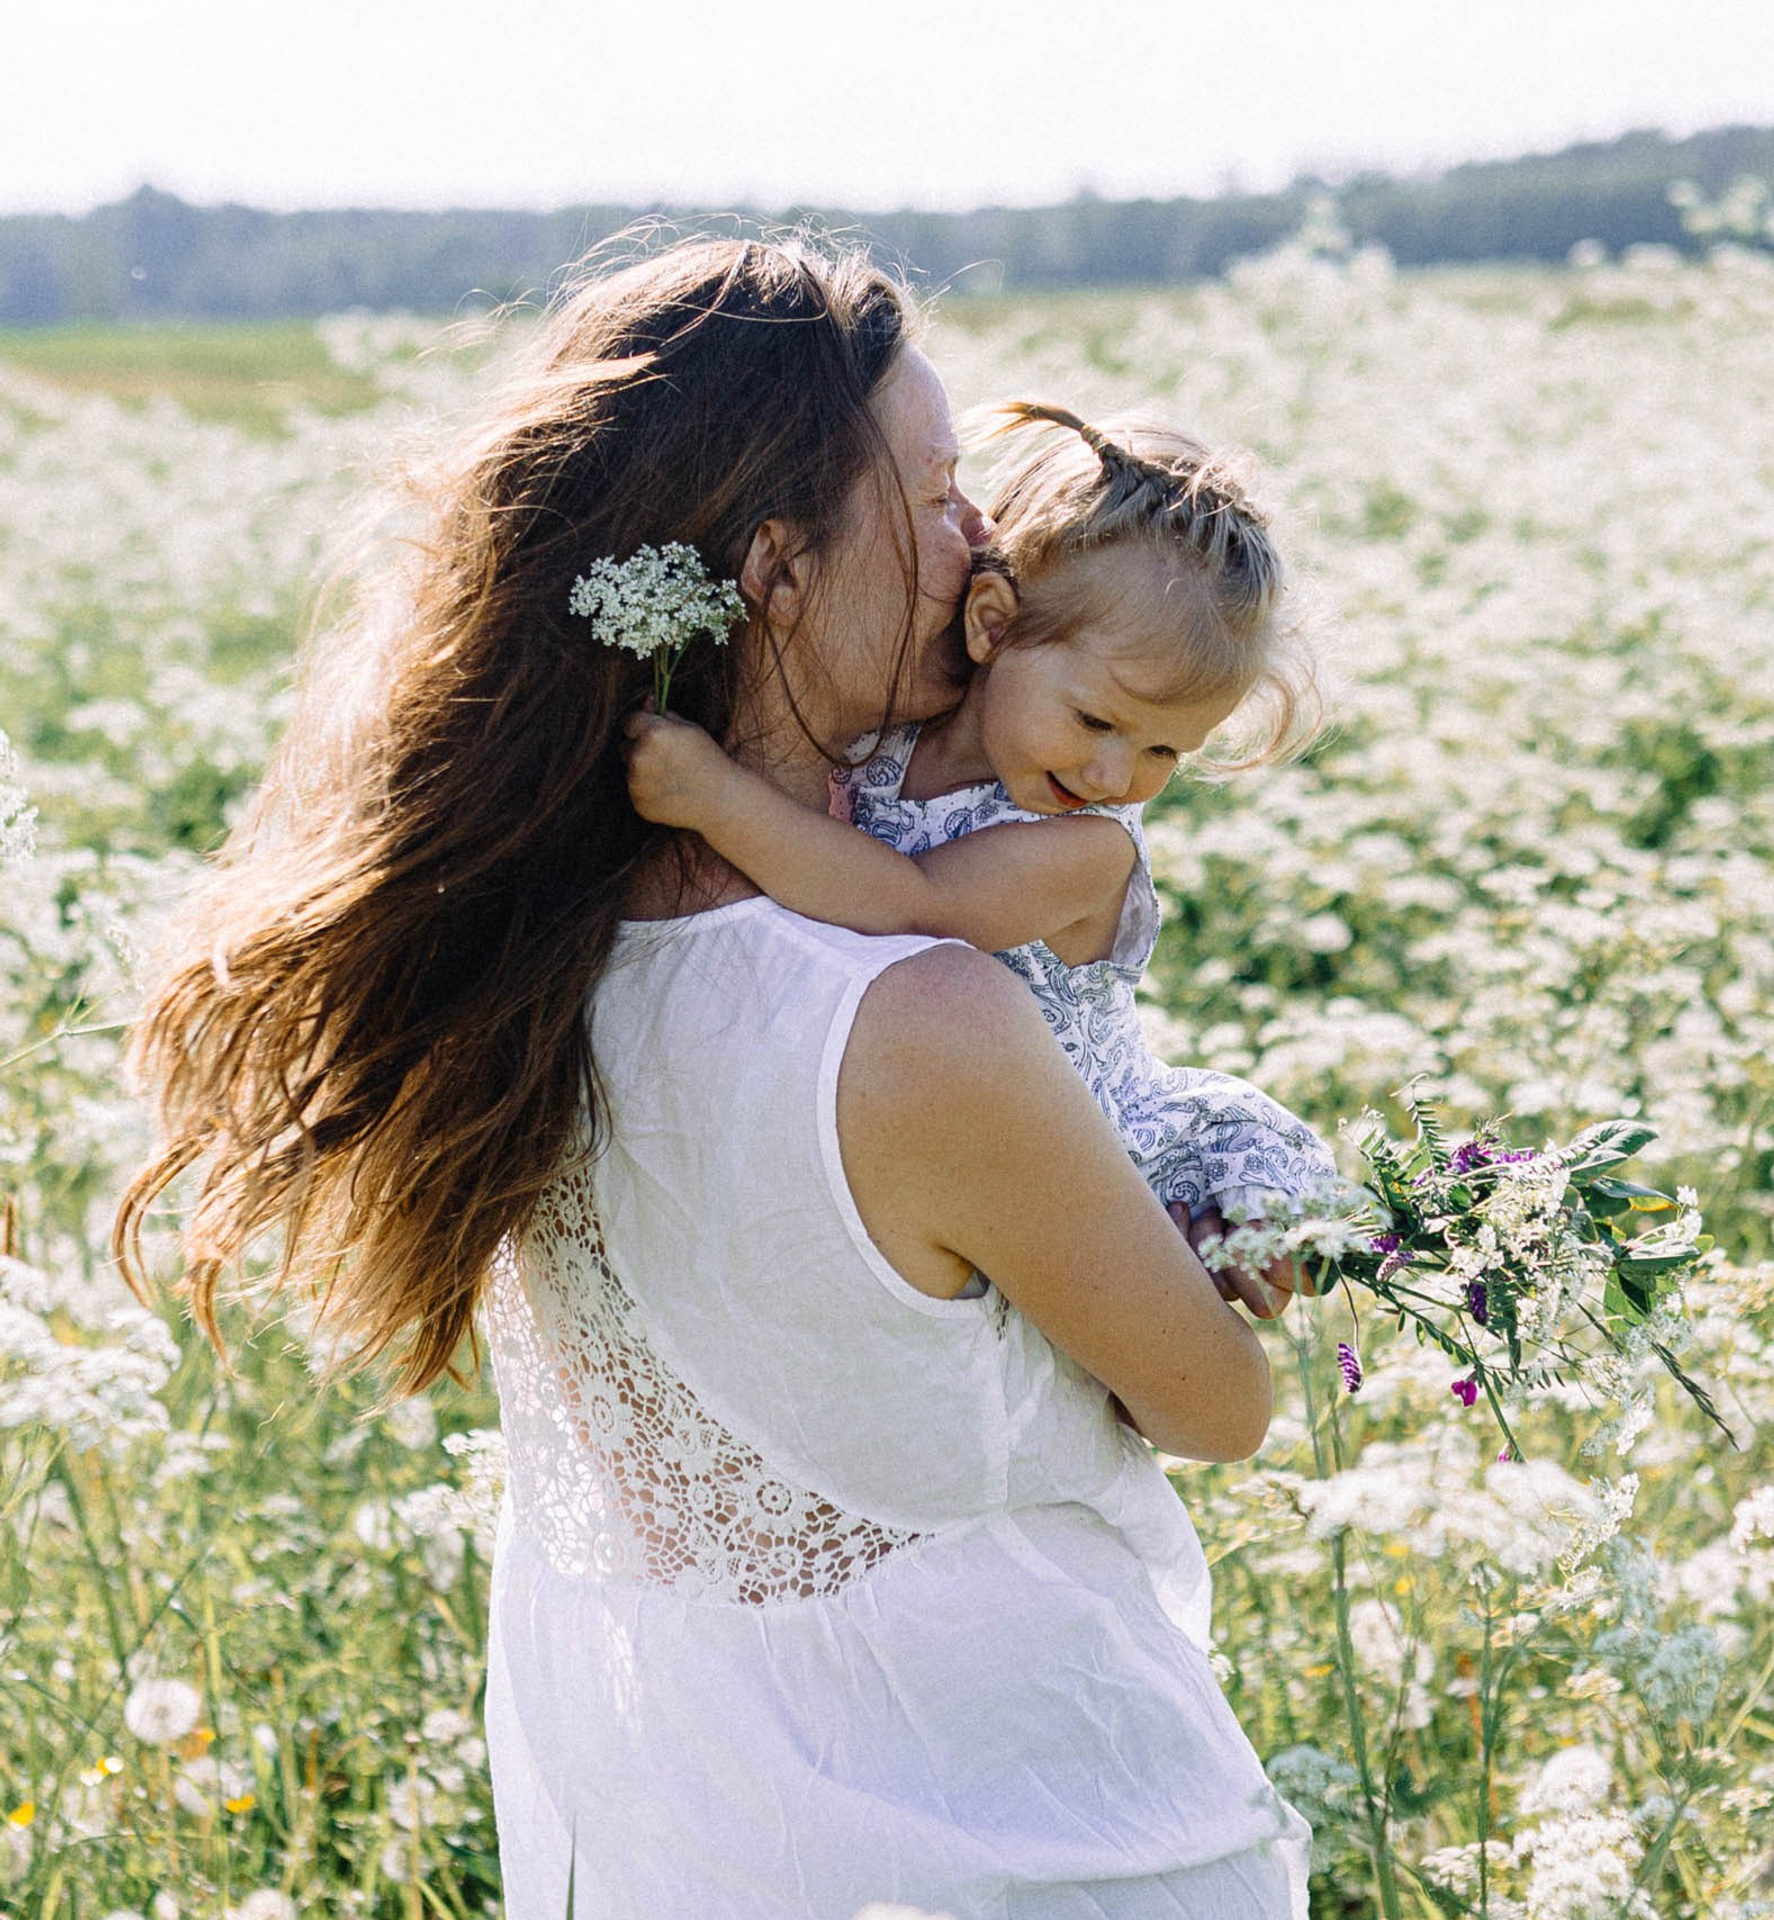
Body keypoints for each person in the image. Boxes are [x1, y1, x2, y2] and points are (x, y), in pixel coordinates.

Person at [114, 238, 1315, 1918]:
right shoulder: (921, 1020)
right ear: (778, 568)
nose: (987, 543)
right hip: (1015, 1844)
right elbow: (1222, 1408)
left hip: (670, 1840)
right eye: (941, 489)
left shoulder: (521, 949)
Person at [622, 402, 1335, 1283]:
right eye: (1096, 720)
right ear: (992, 624)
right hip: (948, 1145)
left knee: (1243, 1263)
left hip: (1115, 1157)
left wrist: (717, 800)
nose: (1116, 774)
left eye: (1163, 751)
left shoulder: (1083, 847)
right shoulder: (887, 732)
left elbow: (913, 904)